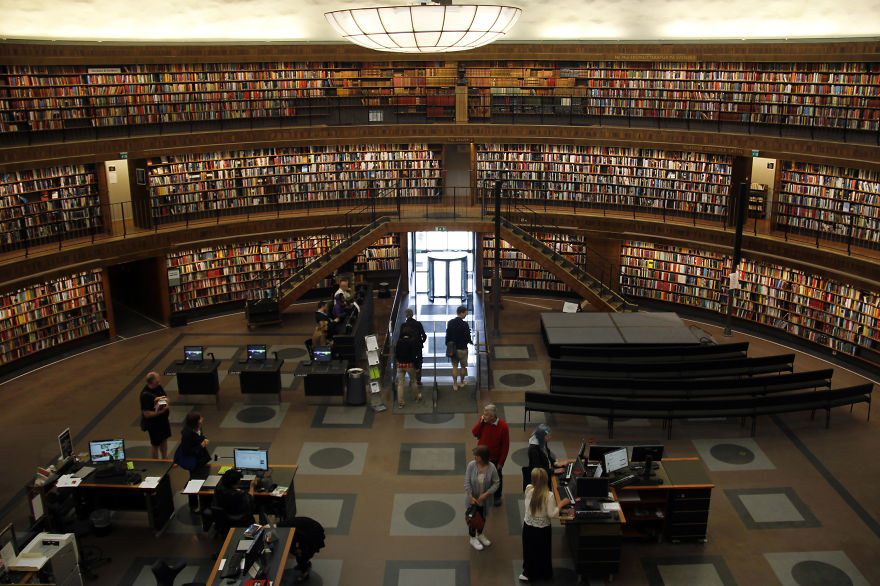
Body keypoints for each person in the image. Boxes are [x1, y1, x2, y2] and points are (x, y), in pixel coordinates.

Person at [519, 467, 570, 582]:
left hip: (528, 527)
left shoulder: (528, 489)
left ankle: (528, 573)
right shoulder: (549, 495)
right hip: (543, 529)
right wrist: (561, 504)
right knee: (543, 551)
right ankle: (544, 573)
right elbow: (551, 514)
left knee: (529, 550)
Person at [472, 404, 510, 507]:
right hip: (481, 458)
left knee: (496, 479)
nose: (483, 416)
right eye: (483, 414)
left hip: (495, 459)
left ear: (493, 416)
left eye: (486, 415)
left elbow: (505, 446)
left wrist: (501, 462)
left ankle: (497, 496)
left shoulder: (503, 426)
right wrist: (481, 423)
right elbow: (474, 433)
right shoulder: (483, 422)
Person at [464, 445, 499, 551]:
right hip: (472, 500)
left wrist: (486, 494)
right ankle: (472, 537)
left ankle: (480, 534)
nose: (474, 457)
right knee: (473, 518)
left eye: (477, 456)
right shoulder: (471, 465)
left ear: (483, 457)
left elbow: (496, 483)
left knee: (482, 518)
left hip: (485, 501)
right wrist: (470, 496)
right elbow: (467, 482)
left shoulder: (492, 468)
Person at [179, 411, 211, 512]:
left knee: (203, 480)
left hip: (202, 458)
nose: (202, 419)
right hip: (194, 462)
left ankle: (204, 501)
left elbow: (201, 436)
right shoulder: (187, 435)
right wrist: (201, 446)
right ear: (195, 422)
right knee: (194, 482)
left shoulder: (198, 428)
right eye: (200, 418)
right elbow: (187, 451)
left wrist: (204, 439)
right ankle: (193, 506)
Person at [140, 371, 171, 459]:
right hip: (153, 424)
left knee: (164, 439)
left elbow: (165, 397)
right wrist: (160, 412)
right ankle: (155, 462)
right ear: (152, 381)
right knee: (155, 444)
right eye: (157, 378)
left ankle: (165, 459)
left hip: (163, 420)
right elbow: (146, 414)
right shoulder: (145, 395)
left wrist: (166, 403)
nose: (159, 379)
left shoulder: (158, 387)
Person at [288, 516, 326, 583]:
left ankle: (304, 573)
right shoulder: (284, 527)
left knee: (302, 554)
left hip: (313, 533)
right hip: (311, 528)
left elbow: (301, 538)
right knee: (300, 552)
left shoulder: (289, 531)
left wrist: (298, 550)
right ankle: (306, 563)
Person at [445, 305, 472, 391]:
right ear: (462, 313)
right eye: (465, 313)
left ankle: (455, 384)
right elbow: (468, 337)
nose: (466, 314)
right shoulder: (465, 324)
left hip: (453, 349)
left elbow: (448, 335)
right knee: (463, 367)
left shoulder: (450, 322)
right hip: (463, 348)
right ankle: (462, 382)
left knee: (455, 367)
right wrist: (469, 341)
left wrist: (448, 344)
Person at [395, 324, 421, 407]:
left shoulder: (399, 341)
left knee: (400, 383)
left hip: (400, 365)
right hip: (409, 365)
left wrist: (398, 361)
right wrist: (417, 366)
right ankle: (416, 397)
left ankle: (400, 403)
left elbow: (396, 354)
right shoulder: (411, 342)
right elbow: (414, 356)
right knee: (413, 381)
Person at [403, 308, 427, 383]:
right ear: (412, 314)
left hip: (408, 347)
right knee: (419, 361)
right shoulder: (418, 323)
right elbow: (424, 335)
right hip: (418, 346)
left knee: (410, 361)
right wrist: (421, 342)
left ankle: (412, 379)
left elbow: (402, 337)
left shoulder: (404, 325)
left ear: (406, 315)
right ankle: (418, 379)